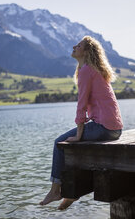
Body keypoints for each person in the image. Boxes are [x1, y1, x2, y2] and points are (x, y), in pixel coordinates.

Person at [39, 35, 123, 210]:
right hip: (115, 129)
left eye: (79, 45)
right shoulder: (95, 70)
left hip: (103, 128)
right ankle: (70, 194)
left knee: (60, 143)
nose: (74, 46)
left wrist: (79, 134)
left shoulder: (87, 70)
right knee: (74, 146)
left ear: (87, 51)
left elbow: (81, 104)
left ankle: (56, 190)